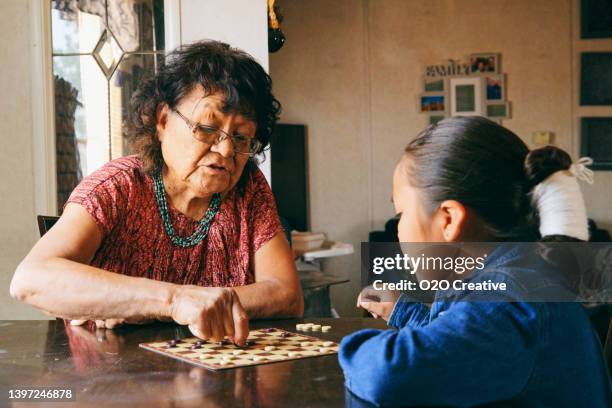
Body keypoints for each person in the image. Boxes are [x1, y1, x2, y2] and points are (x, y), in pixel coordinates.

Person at [10, 40, 303, 346]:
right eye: (206, 127)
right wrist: (173, 301)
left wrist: (172, 305)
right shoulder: (118, 186)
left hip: (214, 378)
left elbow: (286, 294)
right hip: (112, 379)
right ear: (162, 121)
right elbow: (32, 279)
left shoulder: (248, 190)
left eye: (241, 137)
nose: (227, 149)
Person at [339, 117, 611, 406]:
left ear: (449, 219)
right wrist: (403, 311)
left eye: (401, 214)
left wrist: (347, 350)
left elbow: (388, 376)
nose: (398, 229)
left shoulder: (507, 299)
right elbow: (460, 344)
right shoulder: (512, 281)